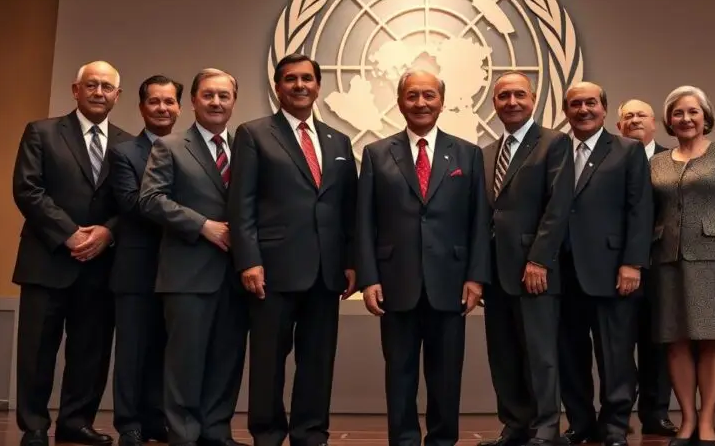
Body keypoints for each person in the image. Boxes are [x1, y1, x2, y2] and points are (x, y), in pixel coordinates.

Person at [228, 54, 359, 446]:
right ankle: (267, 434)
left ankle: (310, 433)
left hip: (326, 271)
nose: (299, 85)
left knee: (318, 360)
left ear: (318, 86)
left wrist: (351, 261)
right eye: (290, 79)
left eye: (306, 78)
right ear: (278, 87)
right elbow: (241, 204)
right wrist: (249, 260)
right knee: (268, 359)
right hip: (272, 269)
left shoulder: (338, 140)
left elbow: (348, 208)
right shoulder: (254, 134)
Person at [355, 69, 491, 446]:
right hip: (394, 282)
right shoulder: (376, 154)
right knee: (399, 373)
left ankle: (443, 440)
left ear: (441, 102)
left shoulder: (468, 154)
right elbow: (364, 222)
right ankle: (403, 440)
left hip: (451, 282)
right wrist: (369, 279)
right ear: (400, 103)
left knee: (446, 374)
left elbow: (479, 221)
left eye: (429, 95)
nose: (421, 103)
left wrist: (476, 277)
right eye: (412, 95)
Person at [11, 60, 132, 446]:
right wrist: (69, 233)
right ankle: (34, 426)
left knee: (91, 351)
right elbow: (28, 189)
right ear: (75, 90)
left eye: (107, 87)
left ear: (117, 95)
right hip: (47, 259)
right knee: (37, 351)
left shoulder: (128, 144)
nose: (99, 92)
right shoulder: (42, 132)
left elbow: (132, 204)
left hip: (100, 265)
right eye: (91, 85)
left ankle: (76, 423)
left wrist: (108, 233)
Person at [139, 69, 249, 446]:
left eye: (224, 96)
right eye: (208, 95)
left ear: (234, 102)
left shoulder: (246, 147)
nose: (216, 102)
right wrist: (203, 226)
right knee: (185, 361)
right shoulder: (170, 145)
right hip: (187, 273)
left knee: (227, 359)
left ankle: (217, 432)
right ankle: (184, 435)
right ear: (193, 101)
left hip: (235, 274)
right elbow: (150, 199)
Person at [650, 85, 715, 446]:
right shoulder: (656, 162)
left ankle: (708, 421)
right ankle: (687, 421)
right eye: (678, 113)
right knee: (675, 341)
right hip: (666, 260)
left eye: (693, 111)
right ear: (669, 120)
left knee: (712, 339)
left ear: (705, 116)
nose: (686, 118)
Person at [478, 72, 574, 446]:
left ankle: (546, 427)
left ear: (533, 99)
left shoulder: (554, 143)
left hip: (534, 270)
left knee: (540, 354)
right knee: (503, 355)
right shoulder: (487, 152)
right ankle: (515, 425)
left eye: (519, 94)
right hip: (494, 272)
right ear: (494, 103)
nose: (512, 102)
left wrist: (539, 260)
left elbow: (558, 207)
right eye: (504, 96)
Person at [558, 83, 653, 446]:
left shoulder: (627, 150)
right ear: (566, 111)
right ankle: (580, 423)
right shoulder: (554, 150)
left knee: (616, 355)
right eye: (575, 104)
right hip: (563, 271)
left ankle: (615, 426)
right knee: (570, 353)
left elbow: (640, 209)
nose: (583, 110)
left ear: (604, 109)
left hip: (613, 270)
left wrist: (632, 263)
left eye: (591, 103)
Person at [108, 75, 183, 446]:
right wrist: (189, 217)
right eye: (154, 101)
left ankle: (156, 420)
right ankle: (129, 424)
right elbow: (132, 204)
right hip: (136, 268)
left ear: (179, 108)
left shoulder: (187, 150)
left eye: (169, 101)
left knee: (165, 349)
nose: (162, 108)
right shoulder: (123, 152)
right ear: (141, 107)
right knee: (132, 350)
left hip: (179, 268)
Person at [615, 99, 677, 438]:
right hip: (617, 266)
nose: (635, 119)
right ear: (618, 126)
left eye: (641, 115)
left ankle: (656, 413)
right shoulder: (610, 158)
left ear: (655, 123)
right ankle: (618, 414)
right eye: (628, 116)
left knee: (658, 343)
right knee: (619, 346)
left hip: (661, 266)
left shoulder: (672, 159)